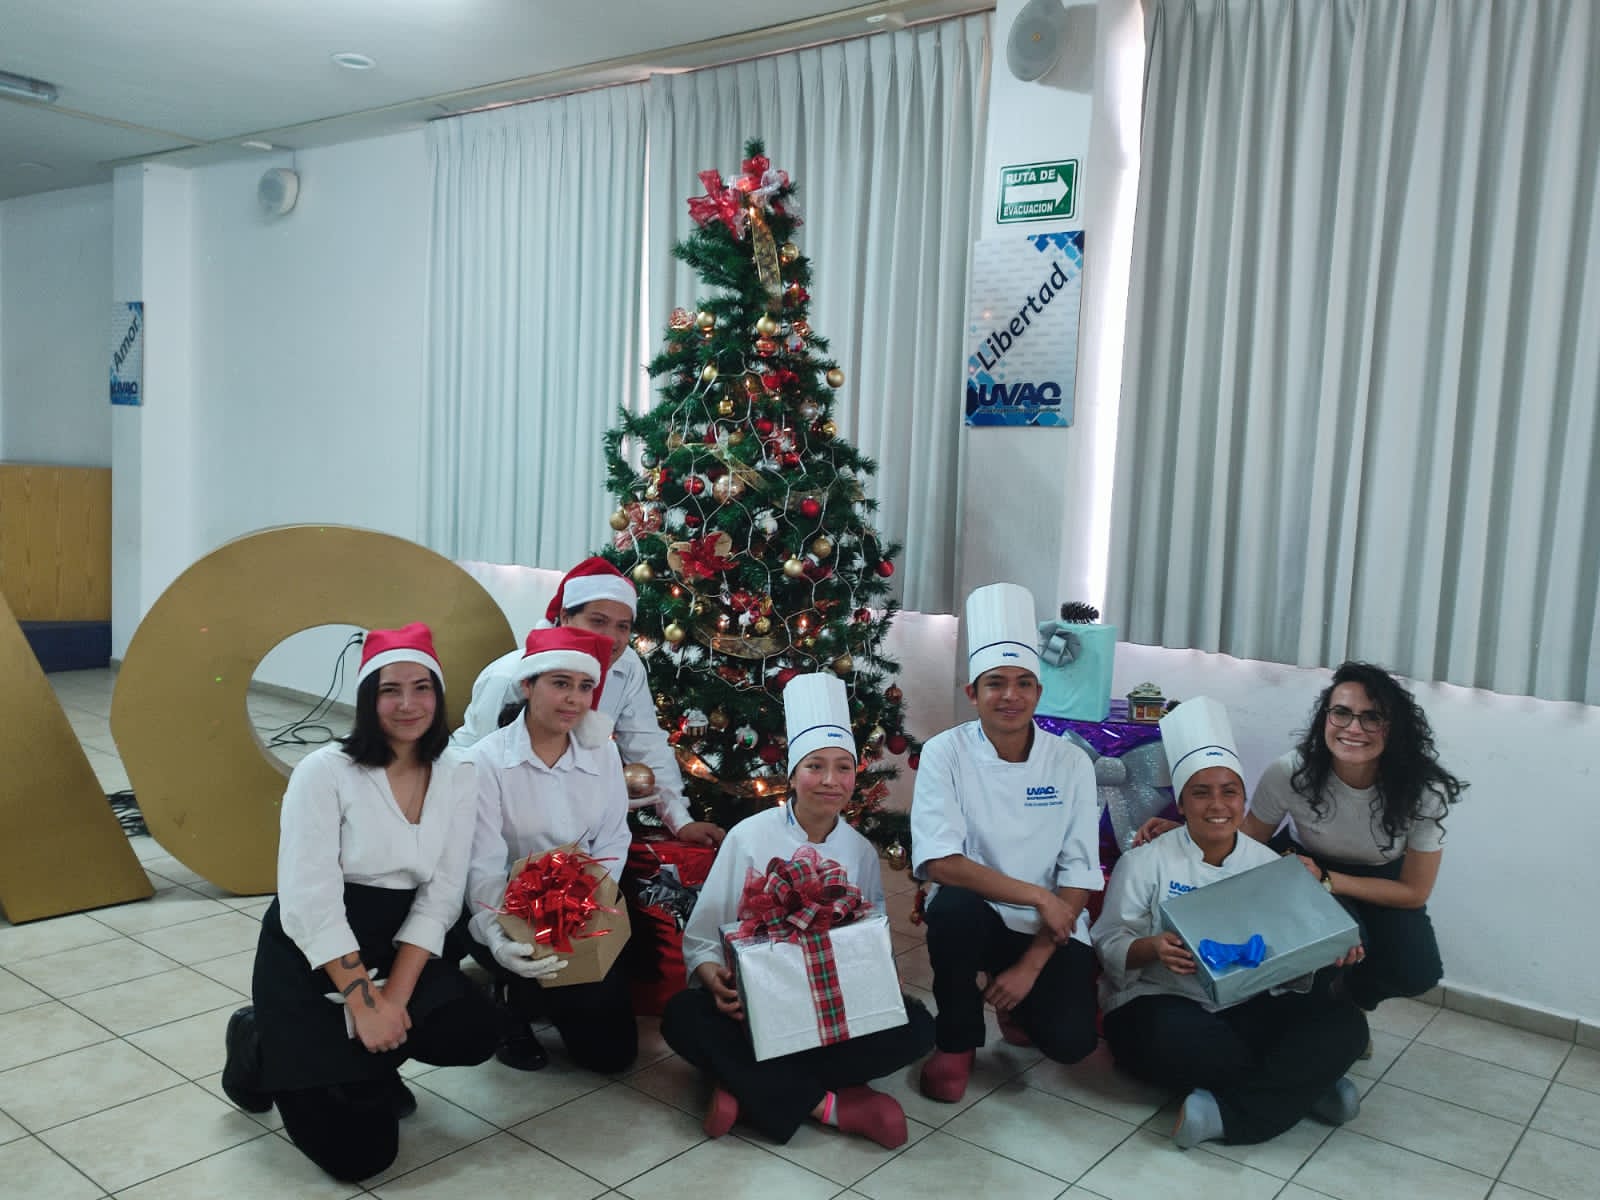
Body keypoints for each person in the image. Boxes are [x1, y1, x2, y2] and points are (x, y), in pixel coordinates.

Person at [221, 623, 497, 1182]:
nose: (408, 704)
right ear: (368, 698)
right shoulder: (324, 773)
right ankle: (258, 1041)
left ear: (439, 695)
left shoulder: (459, 771)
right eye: (390, 689)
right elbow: (310, 902)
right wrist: (364, 1004)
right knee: (361, 1158)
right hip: (312, 952)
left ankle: (371, 1057)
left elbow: (442, 895)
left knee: (475, 1030)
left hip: (398, 943)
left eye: (422, 687)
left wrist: (391, 1001)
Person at [663, 673, 935, 1147]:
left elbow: (869, 940)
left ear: (855, 776)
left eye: (843, 767)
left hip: (829, 1008)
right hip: (754, 1007)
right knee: (683, 1016)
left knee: (917, 1027)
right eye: (815, 766)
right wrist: (714, 980)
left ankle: (747, 1086)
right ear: (791, 775)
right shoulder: (749, 837)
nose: (830, 781)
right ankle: (829, 1105)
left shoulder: (860, 852)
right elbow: (703, 936)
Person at [1093, 697, 1369, 1149]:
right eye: (1201, 792)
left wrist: (1329, 952)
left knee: (1348, 1029)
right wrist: (1153, 948)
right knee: (1182, 1043)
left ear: (1243, 799)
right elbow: (1108, 941)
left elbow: (1285, 959)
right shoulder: (1144, 861)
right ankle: (1306, 1087)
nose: (1217, 805)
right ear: (1182, 802)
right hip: (1161, 1002)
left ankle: (1226, 1114)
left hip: (1247, 1004)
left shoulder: (1268, 865)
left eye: (1229, 791)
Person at [1135, 661, 1465, 1011]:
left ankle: (1349, 1000)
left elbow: (1414, 892)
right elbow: (1250, 837)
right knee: (1333, 948)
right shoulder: (1291, 771)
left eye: (1372, 717)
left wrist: (1328, 879)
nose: (1354, 728)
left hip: (1378, 877)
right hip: (1300, 864)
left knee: (1418, 972)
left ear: (1394, 727)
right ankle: (1315, 1012)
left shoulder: (1424, 792)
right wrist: (1192, 831)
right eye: (1342, 713)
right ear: (1325, 717)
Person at [910, 581, 1103, 1103]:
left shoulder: (1071, 762)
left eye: (1023, 683)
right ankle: (957, 1040)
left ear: (1039, 691)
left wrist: (1030, 965)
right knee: (952, 909)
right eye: (995, 683)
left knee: (1071, 1041)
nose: (1010, 696)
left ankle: (1014, 1003)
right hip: (977, 914)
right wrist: (1038, 895)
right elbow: (941, 862)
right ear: (972, 693)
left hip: (1049, 928)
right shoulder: (945, 753)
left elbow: (1080, 871)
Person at [462, 625, 638, 1074]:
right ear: (527, 685)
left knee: (612, 1057)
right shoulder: (485, 762)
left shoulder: (602, 755)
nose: (574, 700)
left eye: (584, 687)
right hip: (511, 908)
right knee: (529, 972)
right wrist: (498, 937)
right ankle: (509, 999)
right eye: (560, 684)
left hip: (581, 907)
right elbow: (481, 864)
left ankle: (551, 998)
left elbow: (613, 837)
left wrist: (588, 899)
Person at [453, 556, 723, 847]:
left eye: (623, 626)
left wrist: (681, 821)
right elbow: (478, 767)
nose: (612, 638)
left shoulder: (627, 667)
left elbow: (647, 745)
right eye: (598, 621)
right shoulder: (508, 677)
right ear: (565, 617)